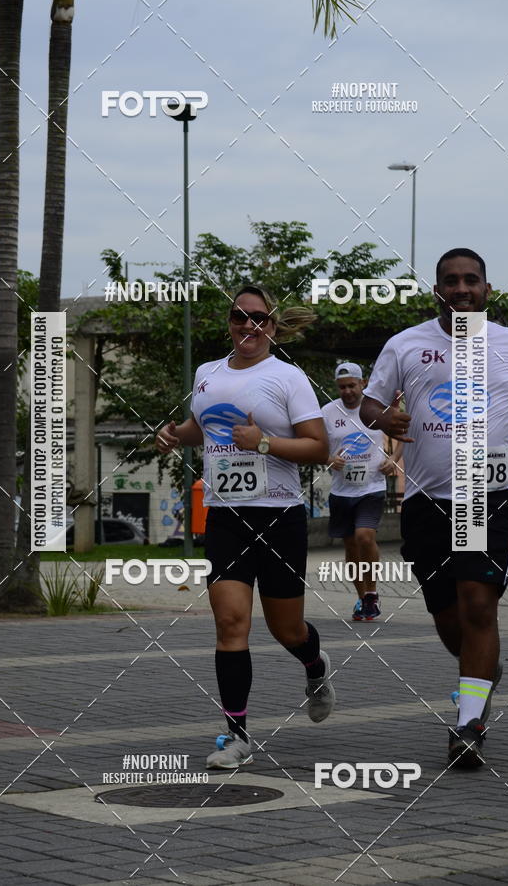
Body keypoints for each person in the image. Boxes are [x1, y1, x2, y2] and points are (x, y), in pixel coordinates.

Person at [360, 248, 508, 768]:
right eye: (451, 281)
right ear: (438, 291)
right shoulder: (406, 345)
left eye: (471, 280)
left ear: (487, 290)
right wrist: (384, 419)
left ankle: (469, 726)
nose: (462, 289)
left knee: (477, 606)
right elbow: (370, 403)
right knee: (449, 618)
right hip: (427, 500)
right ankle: (482, 672)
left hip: (486, 495)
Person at [156, 285, 335, 770]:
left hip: (278, 517)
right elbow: (202, 427)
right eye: (239, 316)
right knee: (231, 623)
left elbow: (318, 447)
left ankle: (314, 665)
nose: (248, 324)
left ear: (272, 327)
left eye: (258, 317)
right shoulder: (207, 373)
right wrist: (173, 434)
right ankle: (236, 736)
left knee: (287, 629)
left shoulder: (288, 377)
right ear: (229, 323)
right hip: (226, 517)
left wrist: (264, 443)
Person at [322, 362, 402, 621]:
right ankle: (363, 598)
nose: (347, 391)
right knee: (351, 546)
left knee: (364, 537)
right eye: (342, 387)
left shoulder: (375, 409)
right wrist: (328, 459)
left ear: (363, 383)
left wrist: (394, 459)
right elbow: (316, 444)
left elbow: (403, 433)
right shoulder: (327, 412)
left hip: (372, 487)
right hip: (341, 491)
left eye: (351, 386)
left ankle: (372, 592)